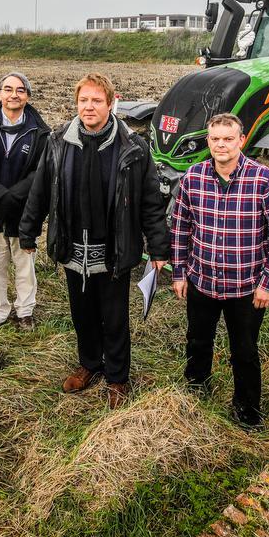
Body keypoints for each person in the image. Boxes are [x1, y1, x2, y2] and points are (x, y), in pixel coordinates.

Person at [19, 72, 170, 408]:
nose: (89, 107)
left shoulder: (133, 147)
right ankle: (89, 364)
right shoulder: (58, 142)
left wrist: (159, 248)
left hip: (113, 250)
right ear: (76, 103)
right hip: (74, 250)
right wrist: (28, 230)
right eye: (83, 100)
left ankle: (117, 377)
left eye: (96, 100)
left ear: (110, 103)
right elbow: (41, 190)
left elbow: (150, 201)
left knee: (114, 317)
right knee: (82, 314)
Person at [169, 113, 269, 429]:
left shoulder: (265, 180)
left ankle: (247, 409)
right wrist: (179, 273)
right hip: (202, 281)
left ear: (241, 140)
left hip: (246, 287)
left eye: (228, 138)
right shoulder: (193, 179)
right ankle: (197, 388)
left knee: (245, 350)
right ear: (208, 141)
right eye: (215, 139)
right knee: (198, 340)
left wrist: (268, 283)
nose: (221, 145)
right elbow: (181, 228)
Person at [0, 72, 51, 333]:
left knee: (25, 264)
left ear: (27, 96)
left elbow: (40, 171)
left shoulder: (40, 132)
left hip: (24, 211)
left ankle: (25, 312)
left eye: (20, 90)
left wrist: (15, 196)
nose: (14, 94)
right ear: (0, 93)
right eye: (8, 89)